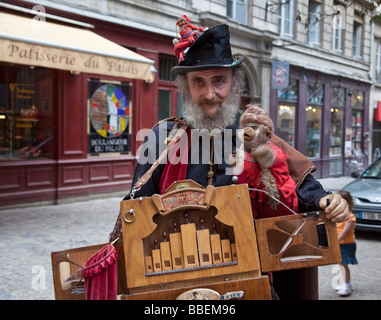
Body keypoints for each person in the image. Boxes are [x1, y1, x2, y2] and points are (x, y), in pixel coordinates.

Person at [124, 22, 349, 299]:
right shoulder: (162, 139)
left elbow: (300, 188)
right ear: (186, 86)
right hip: (177, 283)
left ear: (233, 84)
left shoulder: (253, 134)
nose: (209, 94)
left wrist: (326, 200)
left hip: (248, 280)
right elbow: (135, 210)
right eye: (199, 82)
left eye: (218, 80)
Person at [335, 189, 358, 297]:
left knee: (343, 265)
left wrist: (336, 240)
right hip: (340, 243)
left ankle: (347, 285)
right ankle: (346, 283)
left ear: (348, 203)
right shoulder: (339, 215)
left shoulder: (350, 216)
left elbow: (345, 231)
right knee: (341, 264)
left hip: (346, 244)